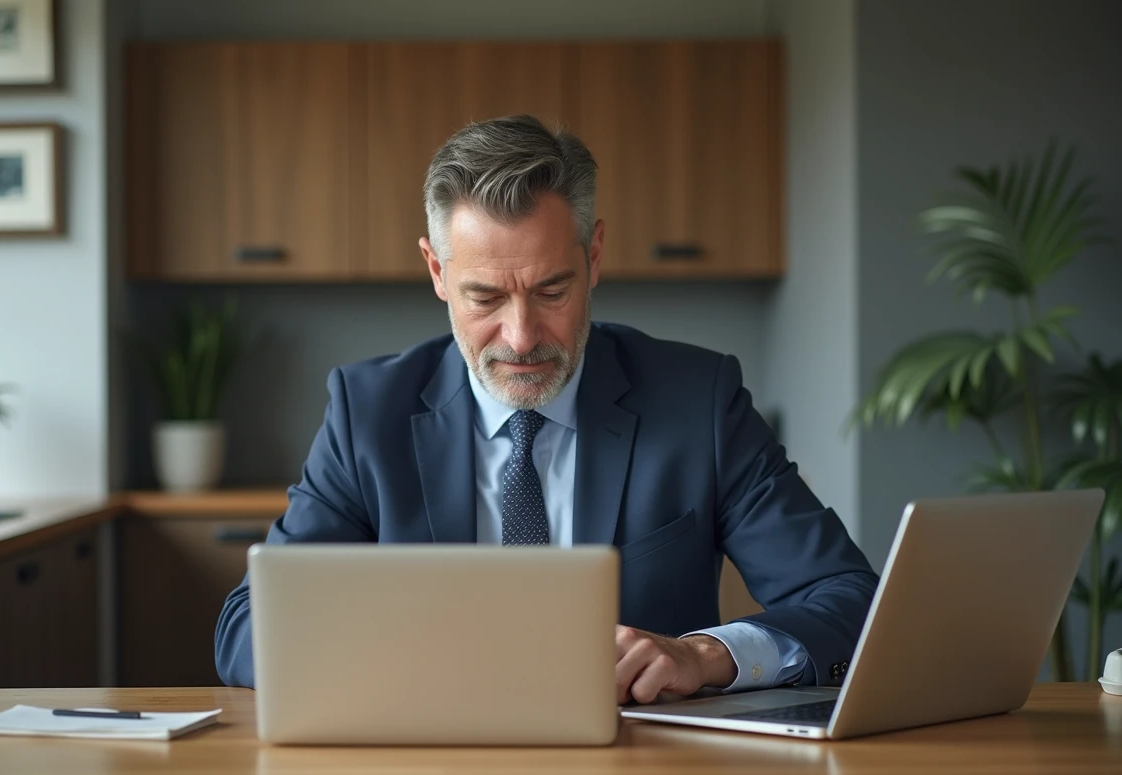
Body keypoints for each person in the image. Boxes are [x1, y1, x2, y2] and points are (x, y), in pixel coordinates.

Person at [215, 115, 878, 700]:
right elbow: (248, 629)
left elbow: (847, 598)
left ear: (593, 258)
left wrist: (705, 655)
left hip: (644, 766)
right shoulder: (369, 413)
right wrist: (407, 659)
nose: (522, 336)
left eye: (552, 289)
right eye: (484, 298)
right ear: (437, 272)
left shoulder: (698, 401)